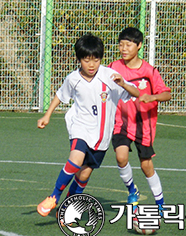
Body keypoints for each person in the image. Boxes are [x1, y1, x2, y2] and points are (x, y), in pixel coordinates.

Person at [36, 33, 140, 217]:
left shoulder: (111, 77)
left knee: (84, 174)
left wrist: (123, 83)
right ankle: (54, 196)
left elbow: (136, 93)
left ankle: (68, 206)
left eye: (96, 59)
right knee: (75, 159)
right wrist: (47, 115)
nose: (91, 65)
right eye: (86, 60)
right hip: (80, 127)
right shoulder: (73, 78)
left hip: (102, 137)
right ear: (79, 59)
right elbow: (61, 95)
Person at [108, 27, 171, 210]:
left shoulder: (149, 71)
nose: (124, 49)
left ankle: (160, 203)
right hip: (121, 122)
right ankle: (132, 190)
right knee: (121, 157)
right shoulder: (113, 67)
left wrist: (153, 97)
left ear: (139, 46)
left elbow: (166, 94)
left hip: (144, 125)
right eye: (121, 45)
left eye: (128, 45)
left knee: (146, 166)